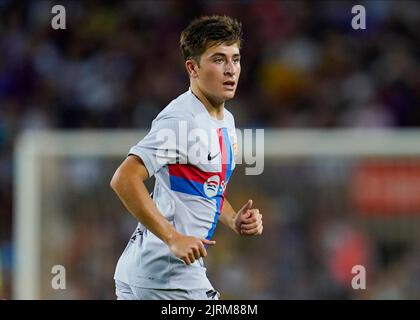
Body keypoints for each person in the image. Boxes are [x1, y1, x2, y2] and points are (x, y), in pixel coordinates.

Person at [110, 15, 263, 300]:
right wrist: (173, 238)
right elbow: (124, 178)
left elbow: (206, 186)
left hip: (145, 269)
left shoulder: (225, 121)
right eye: (218, 60)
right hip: (169, 276)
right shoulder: (180, 120)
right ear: (193, 67)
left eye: (236, 59)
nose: (231, 70)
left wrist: (232, 219)